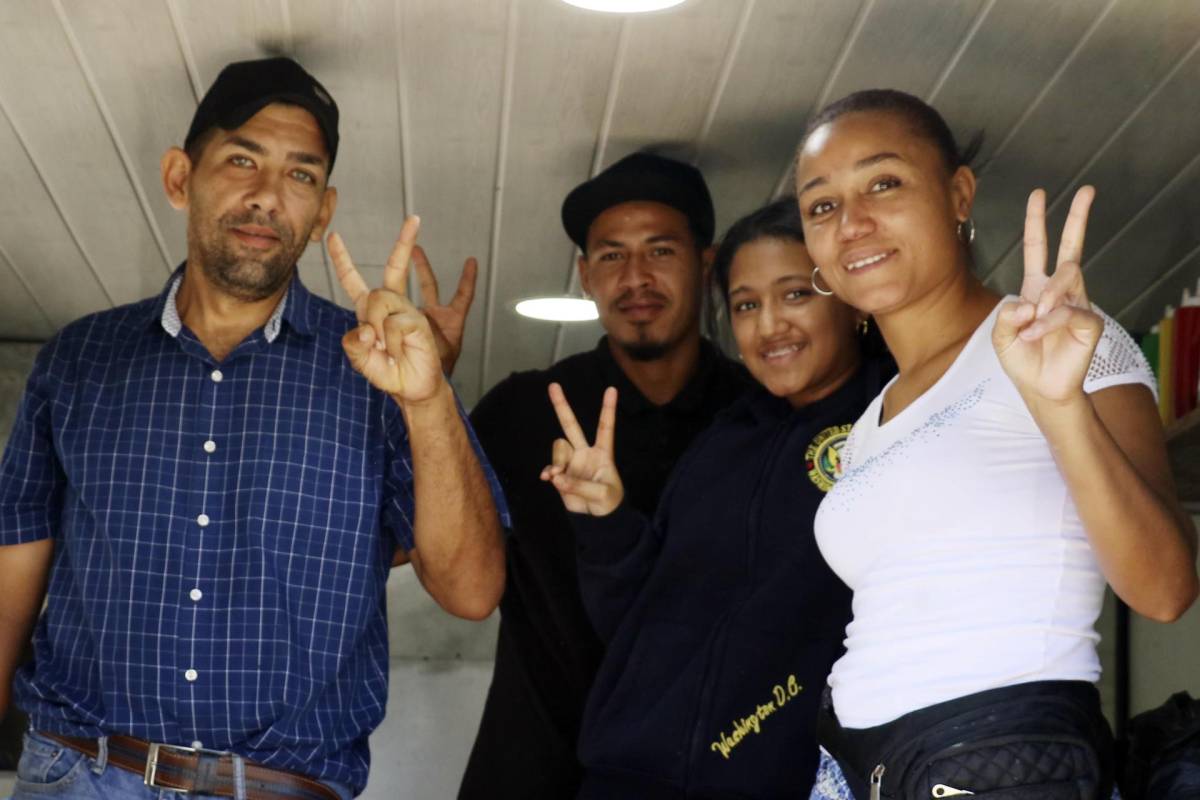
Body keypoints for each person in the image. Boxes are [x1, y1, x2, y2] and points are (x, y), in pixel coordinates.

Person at [0, 57, 507, 800]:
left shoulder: (384, 373)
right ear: (181, 178)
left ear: (323, 209)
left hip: (278, 787)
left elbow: (471, 592)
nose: (268, 196)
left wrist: (428, 399)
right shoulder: (80, 360)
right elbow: (12, 569)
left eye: (301, 176)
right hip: (82, 772)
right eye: (242, 160)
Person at [790, 89, 1198, 799]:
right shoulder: (869, 423)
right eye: (822, 205)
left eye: (884, 183)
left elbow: (1165, 590)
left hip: (1000, 762)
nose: (852, 223)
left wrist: (1059, 402)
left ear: (958, 194)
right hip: (863, 767)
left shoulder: (1060, 343)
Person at [541, 198, 891, 798]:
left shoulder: (896, 421)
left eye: (795, 294)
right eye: (746, 305)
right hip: (626, 779)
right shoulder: (720, 443)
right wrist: (606, 521)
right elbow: (636, 623)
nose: (770, 325)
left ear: (849, 299)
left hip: (781, 781)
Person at [458, 153, 752, 799]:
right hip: (531, 771)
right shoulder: (523, 411)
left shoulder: (760, 415)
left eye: (660, 250)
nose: (636, 277)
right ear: (587, 276)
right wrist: (423, 397)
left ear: (707, 264)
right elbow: (426, 547)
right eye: (612, 256)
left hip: (711, 771)